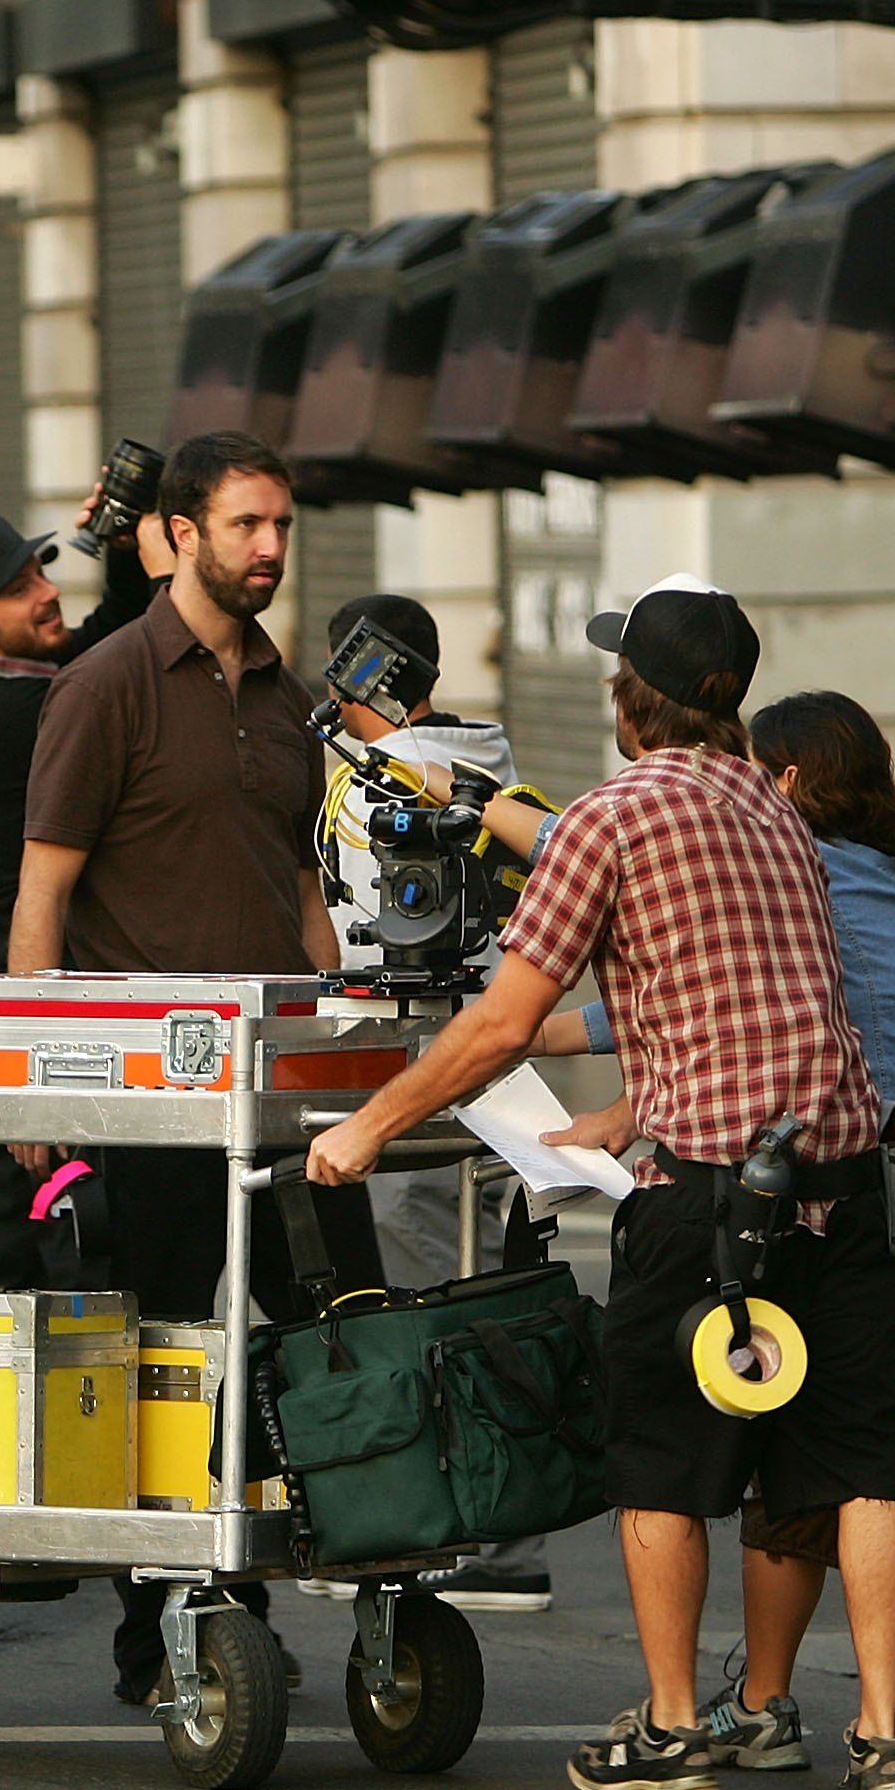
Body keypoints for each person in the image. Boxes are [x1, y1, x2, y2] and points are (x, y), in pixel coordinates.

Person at [305, 575, 895, 1790]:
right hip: (845, 1179)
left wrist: (371, 1124)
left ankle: (674, 1731)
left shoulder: (613, 816)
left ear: (630, 695)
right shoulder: (775, 808)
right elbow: (753, 999)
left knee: (660, 1466)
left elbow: (503, 1021)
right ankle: (884, 1744)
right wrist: (634, 1100)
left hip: (710, 1202)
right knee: (865, 1463)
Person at [543, 691, 895, 1784]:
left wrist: (548, 1031)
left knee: (812, 1453)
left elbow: (697, 983)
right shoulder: (891, 886)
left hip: (873, 1204)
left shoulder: (798, 874)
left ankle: (763, 1702)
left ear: (784, 782)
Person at [12, 429, 384, 1705]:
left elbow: (303, 888)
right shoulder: (104, 684)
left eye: (281, 525)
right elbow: (43, 893)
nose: (270, 548)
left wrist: (340, 1042)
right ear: (177, 533)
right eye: (245, 525)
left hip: (287, 1095)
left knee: (349, 1334)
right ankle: (168, 1627)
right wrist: (33, 1084)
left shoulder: (288, 698)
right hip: (153, 1098)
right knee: (170, 1358)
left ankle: (374, 1584)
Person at [314, 592, 554, 1614]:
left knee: (431, 1311)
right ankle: (505, 1530)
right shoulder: (491, 769)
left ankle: (469, 1535)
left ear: (358, 674)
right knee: (492, 1295)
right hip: (500, 1069)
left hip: (415, 1069)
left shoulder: (384, 782)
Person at [0, 502, 157, 1285]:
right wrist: (25, 1070)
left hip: (50, 1007)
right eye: (20, 588)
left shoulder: (31, 684)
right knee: (48, 1252)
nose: (48, 592)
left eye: (41, 573)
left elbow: (111, 631)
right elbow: (124, 653)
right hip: (35, 1008)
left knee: (45, 1244)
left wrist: (121, 544)